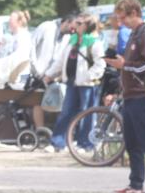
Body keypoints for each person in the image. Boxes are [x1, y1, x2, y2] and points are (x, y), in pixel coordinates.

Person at [105, 0, 145, 193]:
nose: (121, 22)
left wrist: (125, 65)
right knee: (131, 142)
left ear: (134, 13)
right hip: (130, 95)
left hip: (143, 94)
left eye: (123, 17)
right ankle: (135, 183)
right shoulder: (133, 34)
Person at [44, 14, 106, 152]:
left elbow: (101, 65)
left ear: (87, 26)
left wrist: (88, 77)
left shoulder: (94, 43)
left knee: (87, 114)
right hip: (72, 82)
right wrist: (49, 74)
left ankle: (86, 144)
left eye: (79, 23)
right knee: (66, 112)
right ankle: (58, 143)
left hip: (87, 85)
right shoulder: (72, 41)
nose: (74, 25)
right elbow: (61, 61)